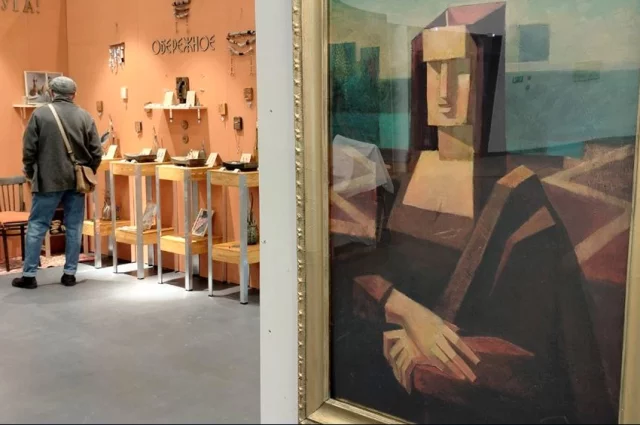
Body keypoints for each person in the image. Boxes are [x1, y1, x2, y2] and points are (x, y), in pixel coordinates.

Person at [12, 76, 102, 289]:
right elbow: (96, 151)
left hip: (47, 180)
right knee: (74, 226)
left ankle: (29, 275)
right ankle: (70, 274)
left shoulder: (40, 115)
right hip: (76, 181)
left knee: (37, 226)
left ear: (51, 93)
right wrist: (87, 170)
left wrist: (31, 172)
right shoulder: (85, 116)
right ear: (74, 94)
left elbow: (29, 150)